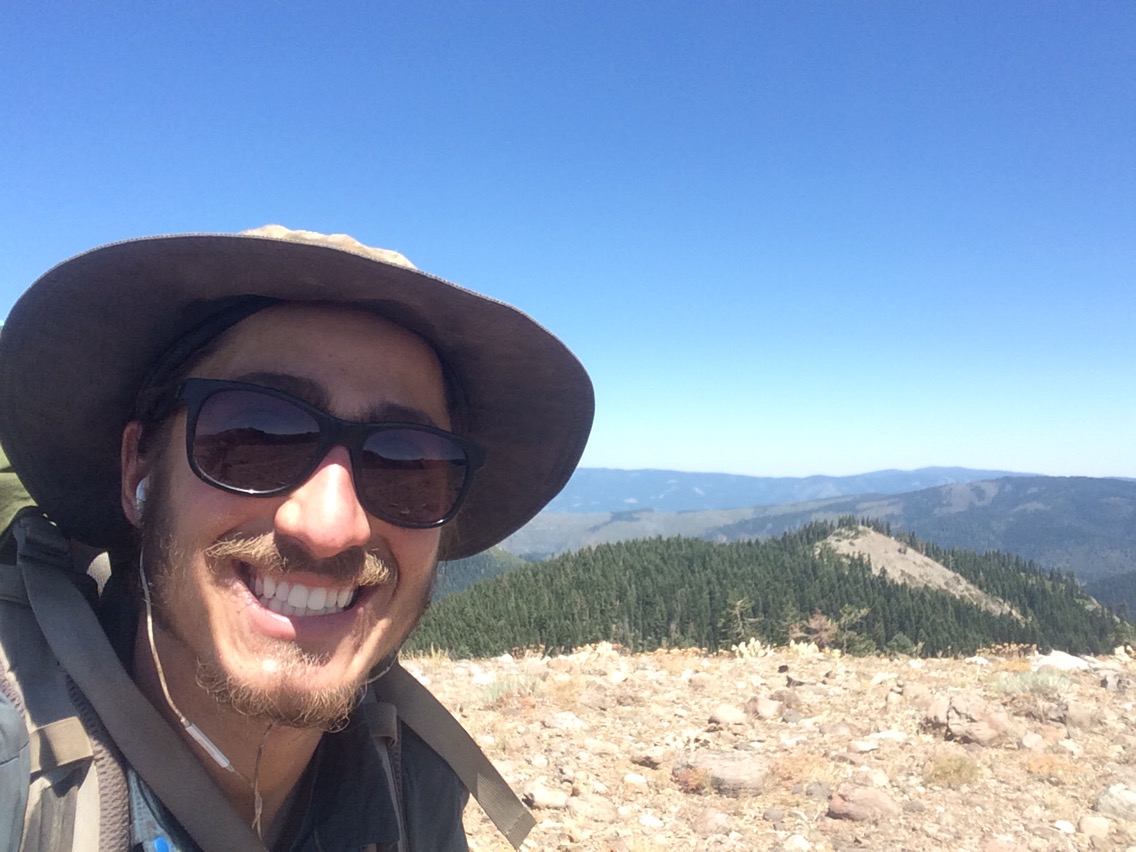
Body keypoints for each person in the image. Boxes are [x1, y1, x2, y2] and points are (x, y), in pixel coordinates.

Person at [0, 225, 593, 850]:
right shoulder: (18, 766)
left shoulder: (412, 779)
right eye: (255, 436)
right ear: (138, 472)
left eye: (404, 465)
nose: (329, 527)